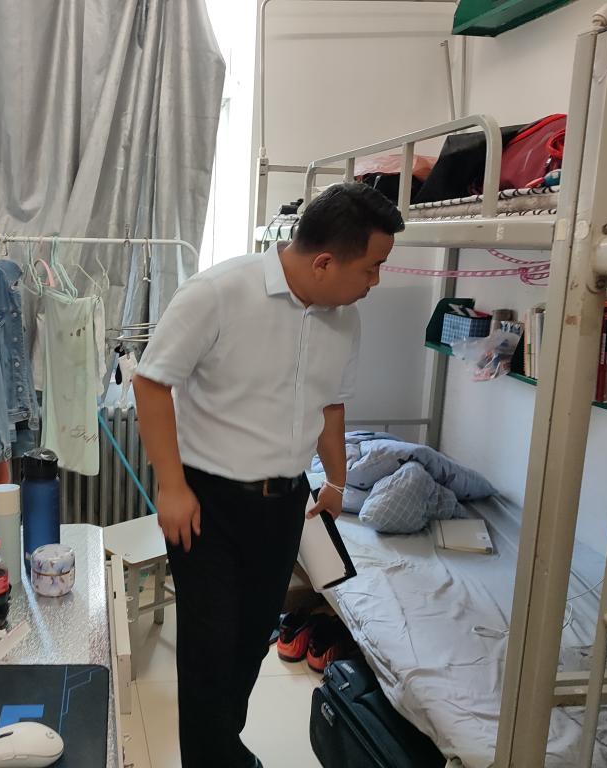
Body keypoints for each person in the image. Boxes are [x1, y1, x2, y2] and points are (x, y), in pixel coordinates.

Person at [132, 182, 404, 768]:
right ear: (325, 262)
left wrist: (336, 481)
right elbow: (151, 383)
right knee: (209, 651)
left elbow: (331, 406)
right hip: (207, 502)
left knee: (253, 640)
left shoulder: (345, 321)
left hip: (285, 506)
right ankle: (215, 761)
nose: (376, 281)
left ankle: (223, 751)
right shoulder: (219, 292)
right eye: (372, 267)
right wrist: (171, 486)